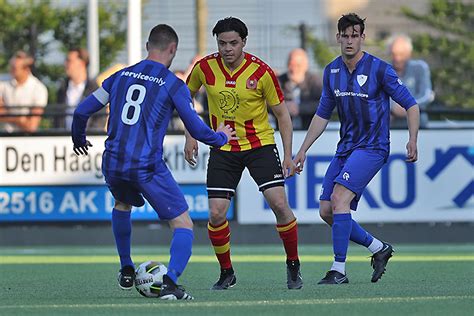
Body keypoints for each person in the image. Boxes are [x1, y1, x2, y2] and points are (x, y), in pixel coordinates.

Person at [71, 24, 236, 300]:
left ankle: (126, 267)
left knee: (122, 205)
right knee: (183, 224)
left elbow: (81, 111)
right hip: (146, 165)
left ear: (148, 46)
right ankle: (170, 281)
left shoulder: (119, 76)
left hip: (113, 161)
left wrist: (79, 138)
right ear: (173, 49)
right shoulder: (173, 84)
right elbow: (196, 129)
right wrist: (220, 137)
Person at [293, 13, 420, 284]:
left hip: (373, 147)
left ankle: (338, 270)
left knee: (340, 200)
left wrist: (412, 139)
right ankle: (378, 248)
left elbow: (411, 105)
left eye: (355, 35)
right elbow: (321, 115)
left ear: (362, 37)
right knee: (327, 210)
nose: (349, 41)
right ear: (337, 37)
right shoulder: (332, 71)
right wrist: (302, 149)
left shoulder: (380, 69)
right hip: (346, 148)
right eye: (345, 36)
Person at [184, 17, 303, 290]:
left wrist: (288, 155)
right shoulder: (204, 68)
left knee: (280, 205)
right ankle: (227, 272)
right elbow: (184, 97)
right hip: (223, 146)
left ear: (244, 43)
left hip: (259, 145)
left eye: (233, 43)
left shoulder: (261, 72)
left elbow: (283, 116)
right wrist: (190, 134)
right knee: (215, 214)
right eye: (222, 43)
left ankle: (293, 264)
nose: (227, 49)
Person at [388, 34, 434, 128]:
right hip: (391, 129)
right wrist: (392, 107)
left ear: (409, 54)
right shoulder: (383, 70)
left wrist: (408, 106)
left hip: (419, 128)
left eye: (401, 54)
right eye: (394, 54)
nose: (397, 58)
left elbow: (426, 95)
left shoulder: (420, 68)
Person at [0, 51, 48, 133]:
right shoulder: (3, 82)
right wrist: (20, 119)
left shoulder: (38, 88)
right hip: (4, 138)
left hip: (26, 140)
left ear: (27, 69)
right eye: (11, 67)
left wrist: (8, 114)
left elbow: (32, 126)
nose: (11, 71)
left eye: (14, 68)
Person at [278, 48, 322, 130]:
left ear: (305, 66)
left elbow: (325, 105)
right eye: (291, 64)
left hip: (309, 131)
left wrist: (300, 108)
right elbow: (267, 104)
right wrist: (283, 108)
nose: (294, 69)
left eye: (298, 65)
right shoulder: (279, 81)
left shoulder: (315, 82)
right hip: (284, 132)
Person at [56, 48, 100, 130]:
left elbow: (100, 119)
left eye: (69, 61)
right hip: (63, 140)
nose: (65, 64)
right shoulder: (62, 89)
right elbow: (57, 119)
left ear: (82, 63)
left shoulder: (95, 90)